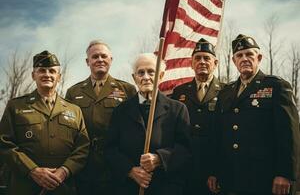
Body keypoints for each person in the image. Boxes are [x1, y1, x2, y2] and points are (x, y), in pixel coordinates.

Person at [207, 34, 300, 195]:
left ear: (259, 57)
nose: (244, 59)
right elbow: (218, 135)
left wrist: (285, 174)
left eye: (249, 54)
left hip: (264, 178)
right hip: (231, 178)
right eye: (239, 55)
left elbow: (289, 134)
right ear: (234, 61)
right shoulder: (225, 93)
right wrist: (214, 171)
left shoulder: (276, 86)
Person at [0, 50, 90, 195]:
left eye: (52, 71)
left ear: (59, 77)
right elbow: (4, 144)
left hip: (63, 187)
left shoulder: (75, 110)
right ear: (33, 75)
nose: (47, 75)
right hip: (24, 187)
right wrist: (32, 170)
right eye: (41, 70)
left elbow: (83, 147)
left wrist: (64, 171)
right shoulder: (15, 106)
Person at [104, 53, 191, 195]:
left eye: (151, 72)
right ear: (134, 78)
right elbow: (110, 149)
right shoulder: (120, 111)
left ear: (161, 75)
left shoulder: (178, 109)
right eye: (140, 72)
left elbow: (185, 150)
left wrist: (160, 159)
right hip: (129, 188)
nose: (145, 77)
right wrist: (130, 171)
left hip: (166, 187)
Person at [65, 40, 136, 195]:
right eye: (95, 56)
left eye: (104, 56)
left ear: (111, 59)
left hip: (115, 164)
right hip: (84, 164)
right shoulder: (73, 92)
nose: (100, 60)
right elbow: (68, 130)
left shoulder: (127, 89)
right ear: (87, 61)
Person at [172, 38, 224, 195]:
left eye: (207, 58)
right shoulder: (179, 92)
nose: (202, 62)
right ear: (191, 63)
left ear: (215, 63)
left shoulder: (226, 91)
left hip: (213, 166)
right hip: (185, 165)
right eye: (198, 58)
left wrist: (218, 171)